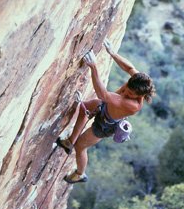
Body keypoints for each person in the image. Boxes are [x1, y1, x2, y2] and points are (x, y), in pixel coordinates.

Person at [57, 40, 156, 184]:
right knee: (85, 107)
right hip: (106, 108)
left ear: (139, 95)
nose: (125, 91)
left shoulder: (132, 104)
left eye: (129, 92)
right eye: (127, 87)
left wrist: (93, 67)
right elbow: (129, 68)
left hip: (104, 126)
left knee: (80, 146)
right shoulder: (138, 82)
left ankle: (80, 174)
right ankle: (69, 141)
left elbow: (103, 95)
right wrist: (113, 53)